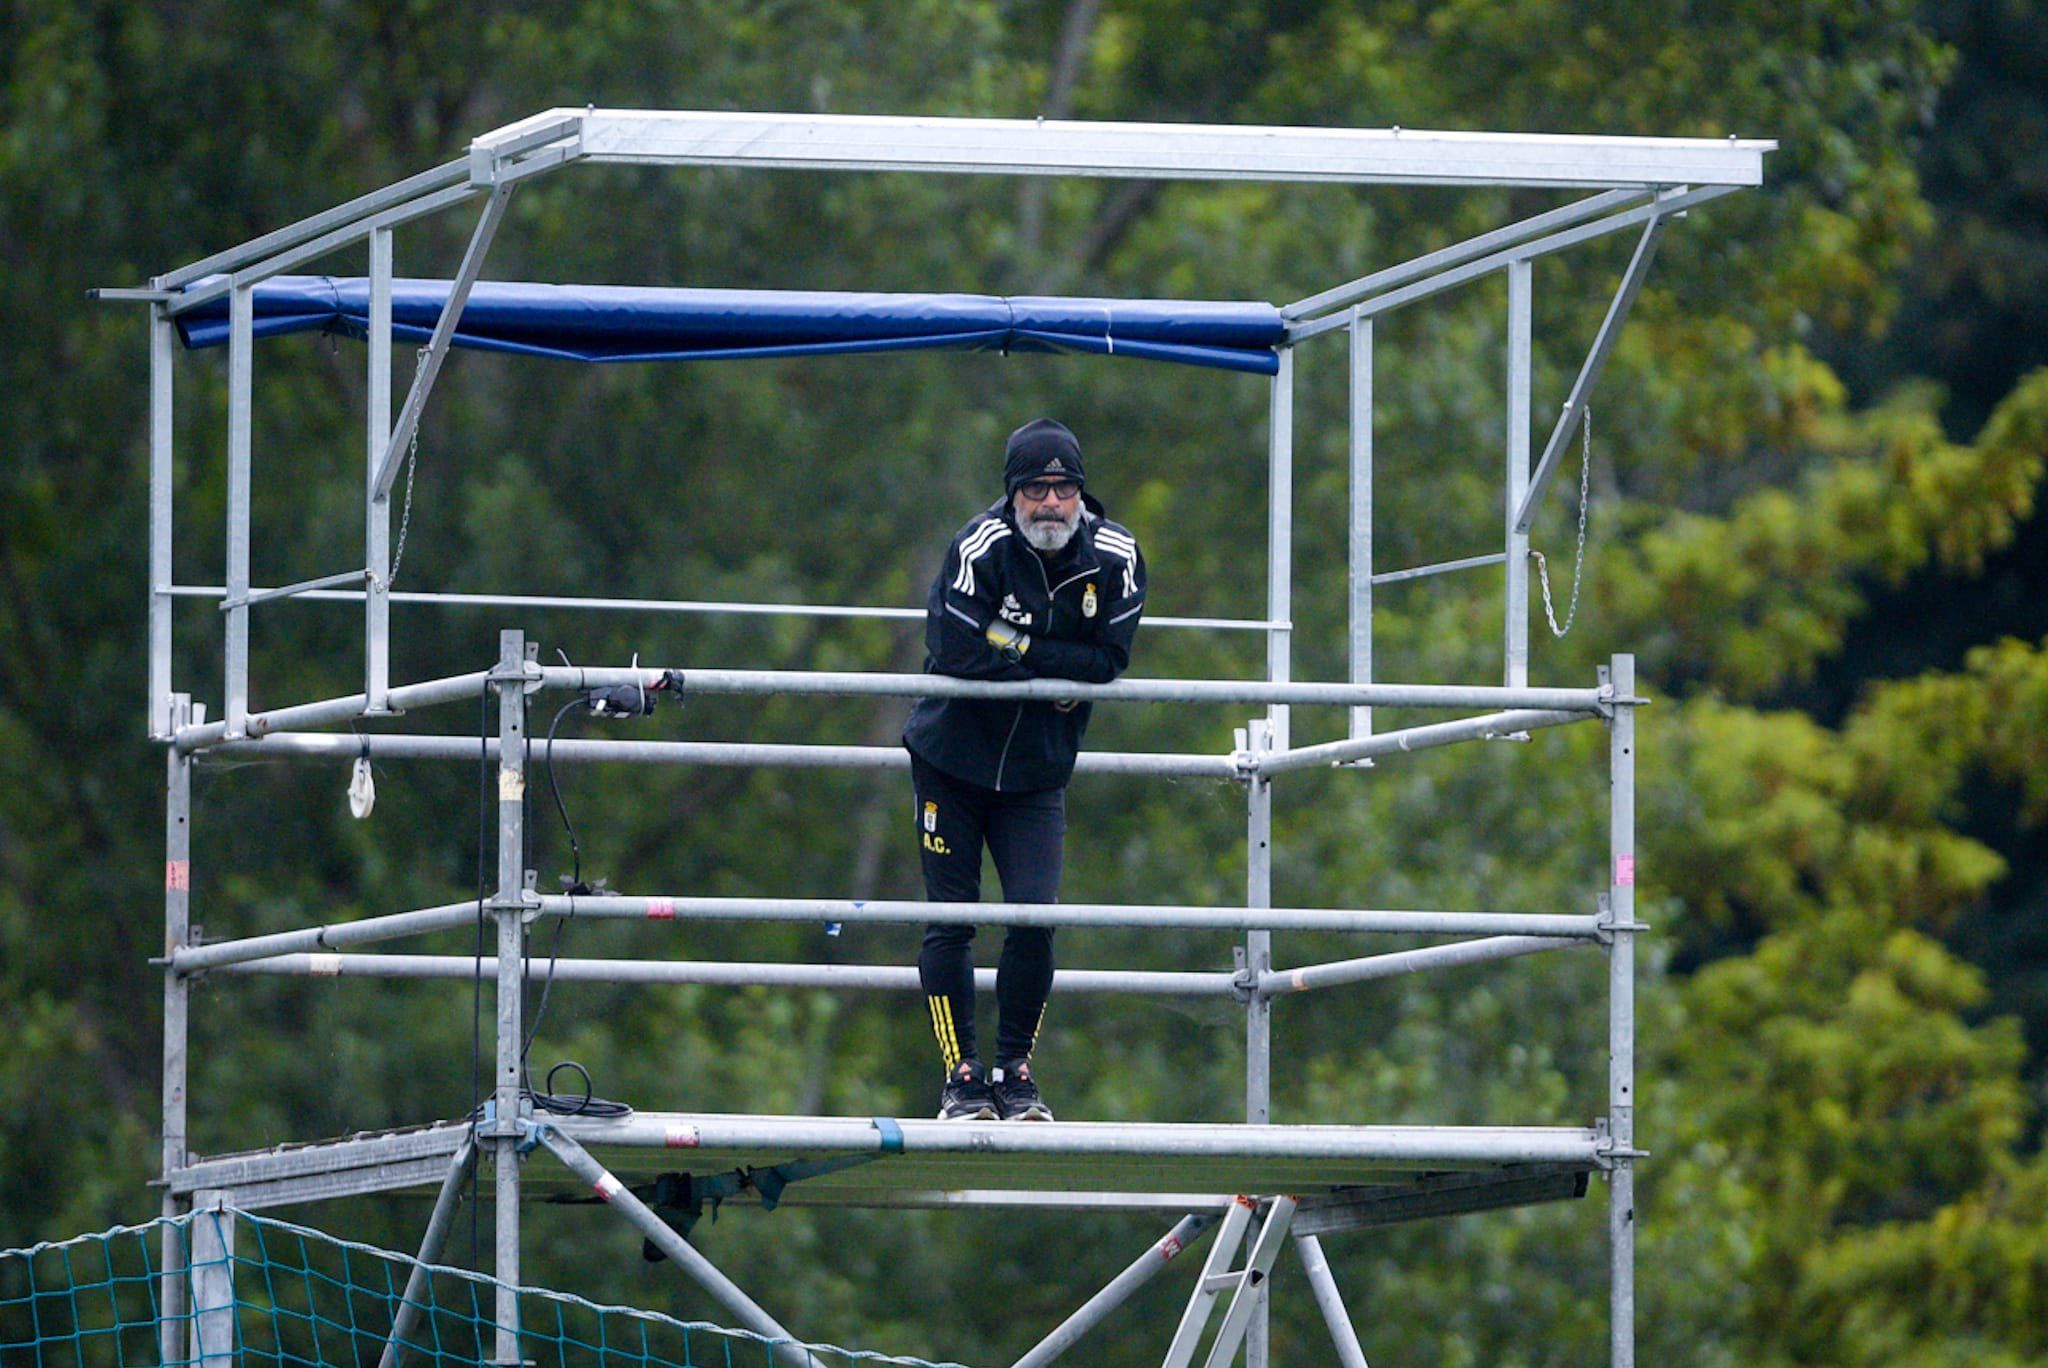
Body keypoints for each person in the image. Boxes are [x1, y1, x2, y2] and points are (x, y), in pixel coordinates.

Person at [902, 418, 1147, 1122]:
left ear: (1081, 493)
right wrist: (1046, 659)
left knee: (1035, 919)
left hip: (1037, 773)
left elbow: (1107, 663)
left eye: (1063, 488)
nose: (1049, 503)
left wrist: (1011, 645)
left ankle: (1015, 1072)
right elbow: (954, 648)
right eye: (1034, 489)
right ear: (1011, 495)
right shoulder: (980, 547)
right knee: (952, 923)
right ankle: (962, 1076)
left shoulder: (1118, 555)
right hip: (952, 761)